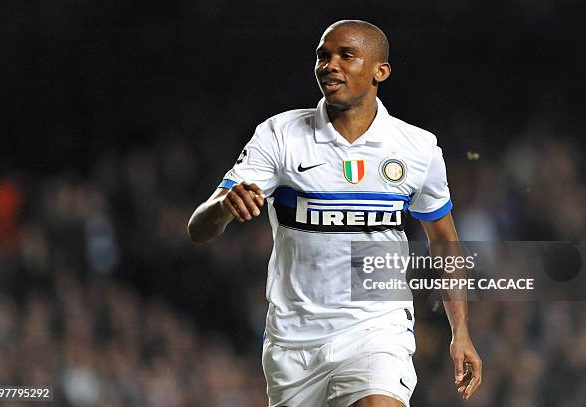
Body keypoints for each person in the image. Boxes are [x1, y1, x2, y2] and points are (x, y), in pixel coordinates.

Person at [188, 19, 482, 407]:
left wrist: (459, 330)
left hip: (377, 327)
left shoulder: (417, 148)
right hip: (295, 343)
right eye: (323, 56)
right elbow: (199, 229)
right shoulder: (280, 135)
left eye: (347, 55)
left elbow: (444, 239)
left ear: (381, 71)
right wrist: (224, 208)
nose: (330, 65)